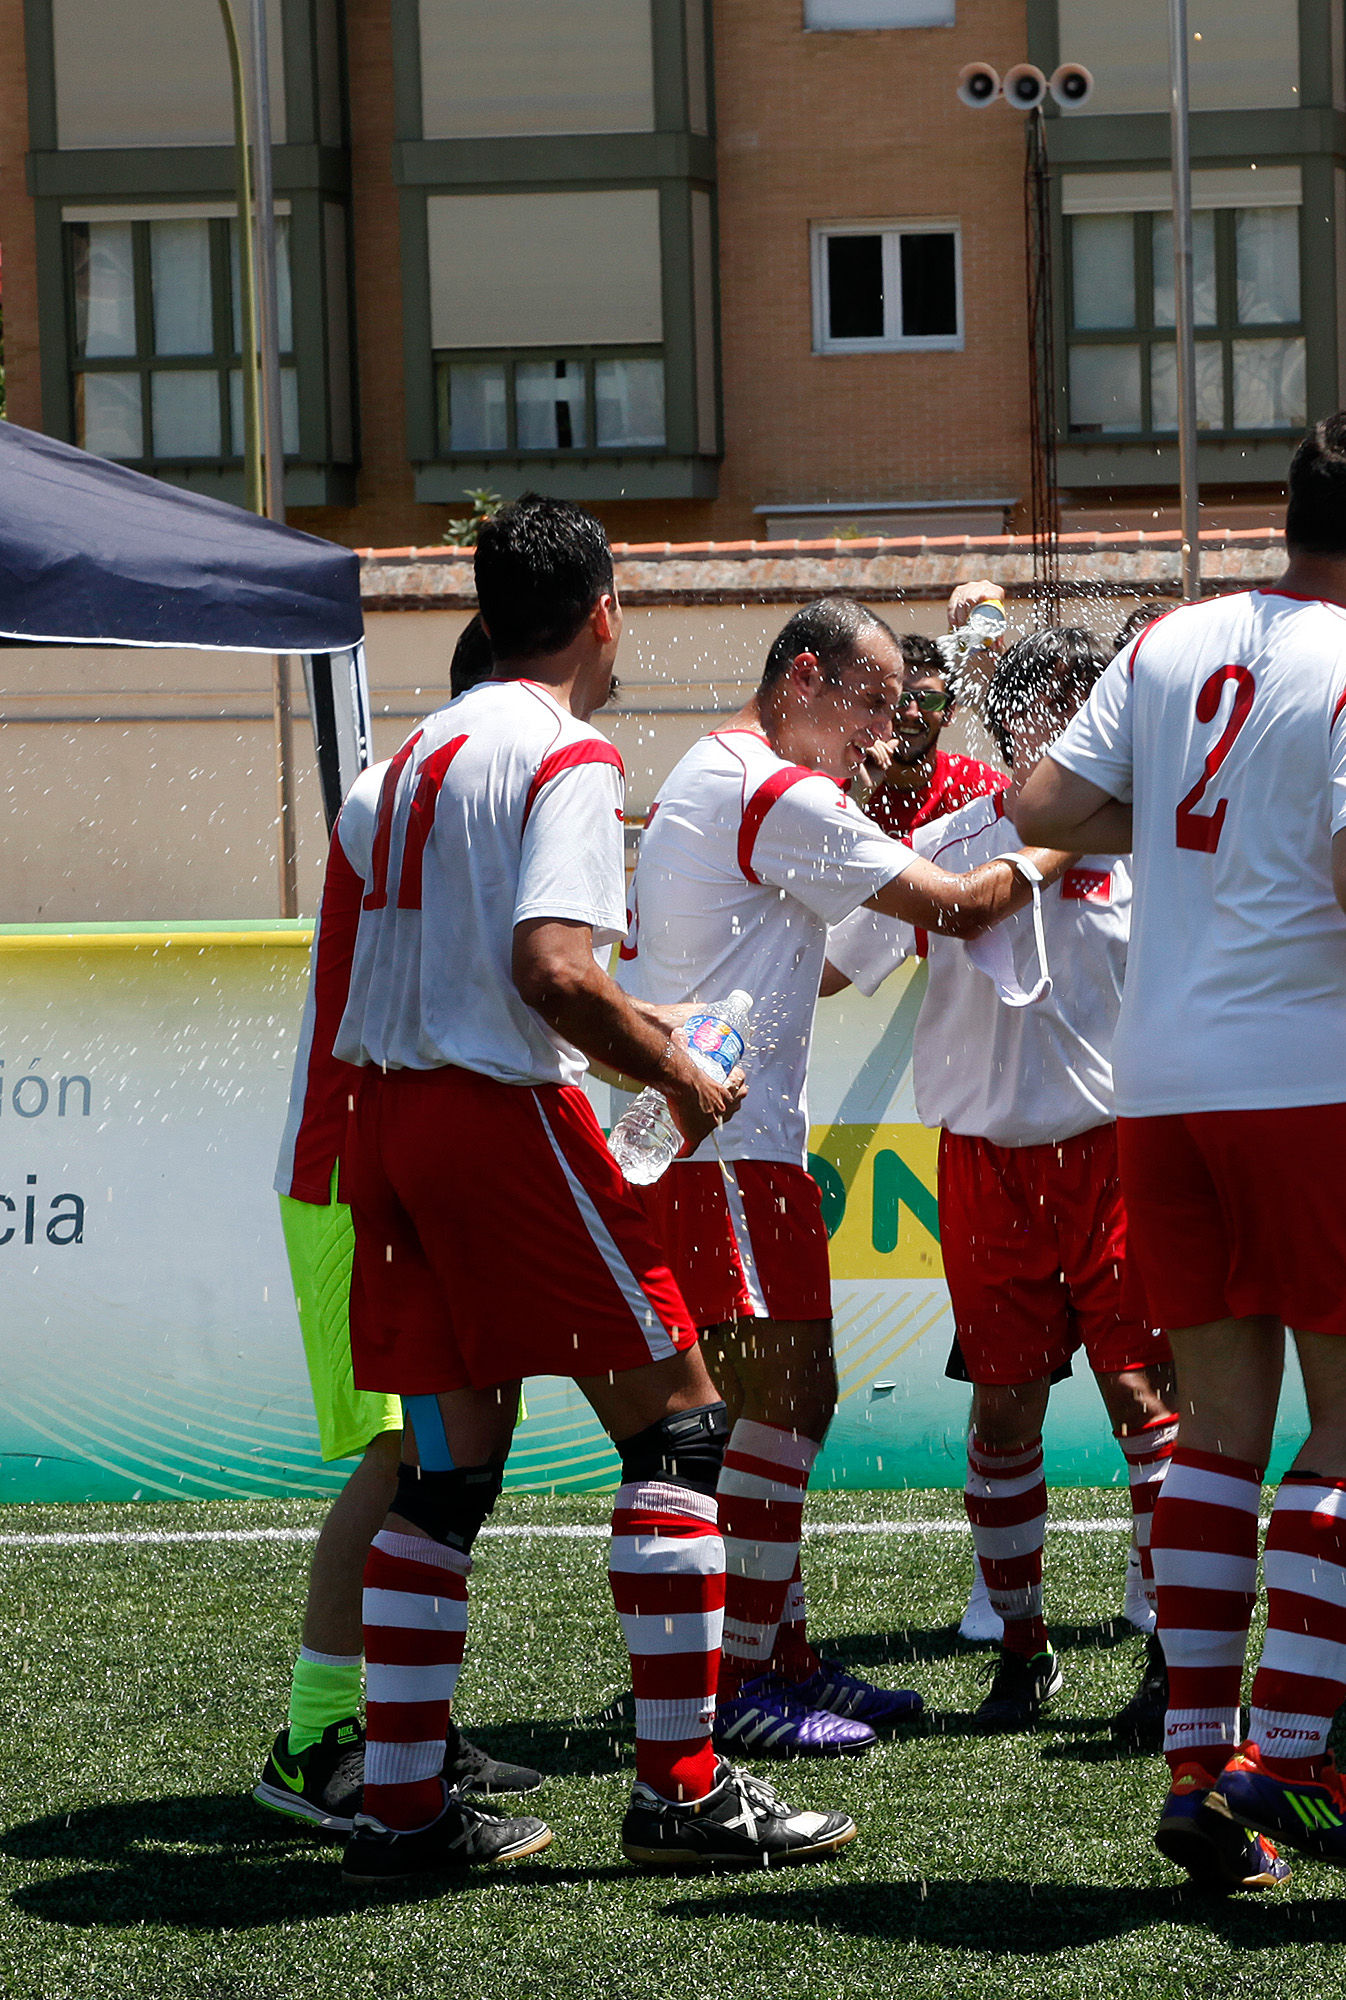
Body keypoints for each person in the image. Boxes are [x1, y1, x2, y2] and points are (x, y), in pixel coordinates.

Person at [331, 495, 855, 1879]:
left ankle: (399, 1807)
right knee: (681, 1431)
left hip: (389, 1121)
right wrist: (676, 1069)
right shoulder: (565, 751)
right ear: (604, 613)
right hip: (495, 1112)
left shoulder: (402, 761)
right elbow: (555, 971)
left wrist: (648, 1029)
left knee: (447, 1476)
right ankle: (682, 1788)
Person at [1012, 408, 1346, 1896]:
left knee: (1218, 1431)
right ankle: (1282, 1759)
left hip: (1162, 1084)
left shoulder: (1174, 635)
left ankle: (1200, 1766)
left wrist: (1200, 825)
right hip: (1310, 1079)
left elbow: (1039, 805)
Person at [621, 596, 1045, 1758]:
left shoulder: (728, 774)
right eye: (874, 703)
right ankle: (741, 1676)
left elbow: (813, 965)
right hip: (723, 1148)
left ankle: (775, 1654)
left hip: (719, 1140)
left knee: (769, 1406)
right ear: (803, 675)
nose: (886, 734)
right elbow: (960, 905)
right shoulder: (777, 791)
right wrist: (1055, 831)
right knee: (783, 1402)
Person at [822, 622, 1180, 1745]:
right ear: (1009, 724)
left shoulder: (1156, 849)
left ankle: (1174, 1653)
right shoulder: (948, 845)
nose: (1064, 734)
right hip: (984, 1169)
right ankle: (1023, 1650)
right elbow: (832, 965)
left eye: (1085, 712)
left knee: (1144, 1401)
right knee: (1004, 1412)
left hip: (1117, 1156)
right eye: (1043, 712)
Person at [251, 619, 542, 1835]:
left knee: (453, 1449)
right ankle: (316, 1735)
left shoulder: (432, 786)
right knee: (408, 1457)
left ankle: (401, 1720)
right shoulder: (421, 791)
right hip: (352, 1170)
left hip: (393, 1165)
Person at [856, 627, 1006, 839]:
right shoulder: (844, 779)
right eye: (900, 697)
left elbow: (1035, 828)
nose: (912, 712)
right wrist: (857, 794)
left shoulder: (974, 786)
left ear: (949, 713)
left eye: (929, 700)